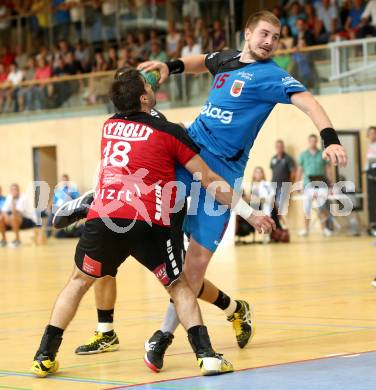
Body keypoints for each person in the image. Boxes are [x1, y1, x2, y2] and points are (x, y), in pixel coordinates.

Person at [65, 10, 347, 371]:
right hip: (189, 153)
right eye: (263, 34)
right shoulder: (227, 58)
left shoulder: (273, 76)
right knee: (148, 200)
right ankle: (100, 198)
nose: (269, 42)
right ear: (247, 34)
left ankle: (165, 335)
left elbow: (308, 101)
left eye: (275, 38)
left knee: (193, 266)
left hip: (225, 172)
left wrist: (330, 139)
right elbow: (202, 61)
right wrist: (170, 66)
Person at [30, 68, 275, 378]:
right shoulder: (170, 132)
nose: (153, 84)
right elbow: (211, 179)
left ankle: (44, 355)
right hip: (149, 221)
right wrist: (250, 213)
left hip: (105, 217)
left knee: (78, 282)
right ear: (145, 97)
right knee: (180, 286)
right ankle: (207, 355)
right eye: (148, 84)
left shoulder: (109, 126)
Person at [297, 134, 334, 237]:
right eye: (311, 141)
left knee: (321, 207)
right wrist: (297, 184)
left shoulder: (322, 154)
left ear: (316, 141)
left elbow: (328, 169)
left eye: (314, 141)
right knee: (306, 208)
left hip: (321, 185)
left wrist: (331, 183)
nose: (313, 142)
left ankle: (324, 229)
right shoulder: (303, 155)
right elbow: (300, 170)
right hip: (307, 185)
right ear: (308, 142)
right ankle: (305, 229)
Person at [0, 184, 36, 248]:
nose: (13, 191)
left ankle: (17, 240)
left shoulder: (24, 197)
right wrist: (6, 217)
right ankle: (4, 240)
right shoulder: (9, 197)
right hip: (15, 219)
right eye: (12, 190)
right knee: (1, 218)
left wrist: (13, 201)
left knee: (13, 217)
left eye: (15, 190)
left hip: (29, 220)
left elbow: (17, 213)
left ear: (18, 191)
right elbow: (3, 210)